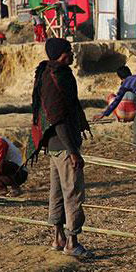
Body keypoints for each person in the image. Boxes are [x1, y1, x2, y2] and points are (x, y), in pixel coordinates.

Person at [28, 38, 90, 258]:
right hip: (64, 146)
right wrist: (73, 150)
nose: (73, 55)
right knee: (73, 193)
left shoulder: (47, 73)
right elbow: (58, 118)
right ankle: (72, 242)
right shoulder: (57, 76)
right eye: (70, 51)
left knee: (56, 193)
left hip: (53, 146)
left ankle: (57, 237)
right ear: (63, 54)